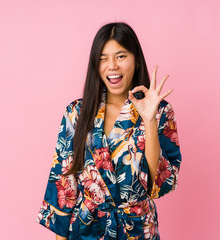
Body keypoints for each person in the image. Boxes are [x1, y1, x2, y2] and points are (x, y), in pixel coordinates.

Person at [36, 22, 182, 240]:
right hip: (87, 231)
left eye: (121, 56)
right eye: (103, 58)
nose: (112, 66)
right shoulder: (77, 112)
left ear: (136, 59)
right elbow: (63, 184)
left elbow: (160, 185)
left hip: (137, 230)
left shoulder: (160, 110)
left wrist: (149, 121)